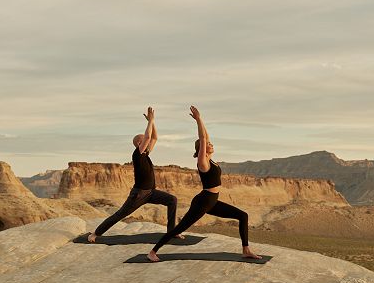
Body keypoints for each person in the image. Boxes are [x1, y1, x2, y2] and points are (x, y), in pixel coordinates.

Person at [147, 105, 262, 262]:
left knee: (243, 216)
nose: (211, 144)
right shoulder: (203, 162)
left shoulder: (211, 160)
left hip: (212, 201)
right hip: (203, 202)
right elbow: (203, 139)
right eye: (209, 144)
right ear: (202, 148)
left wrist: (202, 122)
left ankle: (246, 250)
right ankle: (153, 252)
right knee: (180, 228)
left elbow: (206, 137)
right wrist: (198, 120)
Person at [88, 107, 183, 242]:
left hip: (150, 192)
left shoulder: (145, 153)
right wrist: (150, 121)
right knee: (120, 214)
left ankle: (172, 232)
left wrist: (152, 122)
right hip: (139, 194)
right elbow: (149, 136)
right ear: (140, 143)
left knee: (172, 200)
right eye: (145, 140)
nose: (148, 142)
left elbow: (154, 137)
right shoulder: (137, 154)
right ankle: (96, 234)